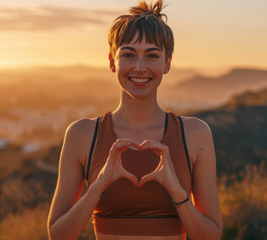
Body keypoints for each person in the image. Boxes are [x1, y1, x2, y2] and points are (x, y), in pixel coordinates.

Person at [47, 0, 222, 239]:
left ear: (167, 63)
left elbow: (211, 236)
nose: (140, 67)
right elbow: (58, 235)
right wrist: (99, 186)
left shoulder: (194, 133)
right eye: (128, 54)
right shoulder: (82, 134)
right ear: (112, 61)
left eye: (152, 56)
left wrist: (176, 190)